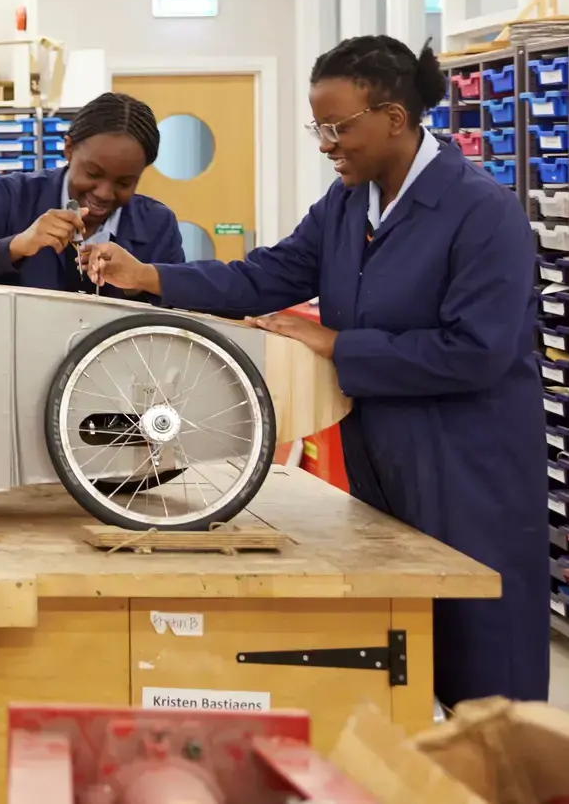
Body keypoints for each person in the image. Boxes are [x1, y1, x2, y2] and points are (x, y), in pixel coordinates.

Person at [82, 36, 547, 707]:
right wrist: (150, 275)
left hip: (470, 460)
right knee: (403, 644)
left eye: (337, 127)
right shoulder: (345, 205)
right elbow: (265, 275)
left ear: (393, 117)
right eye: (318, 127)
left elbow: (477, 350)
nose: (326, 144)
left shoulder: (482, 211)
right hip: (380, 447)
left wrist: (337, 344)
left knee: (484, 661)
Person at [0, 91, 184, 300]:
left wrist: (136, 282)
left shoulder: (157, 225)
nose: (104, 193)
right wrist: (15, 246)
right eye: (92, 173)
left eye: (125, 182)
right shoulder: (9, 197)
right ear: (68, 149)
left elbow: (178, 320)